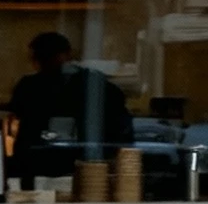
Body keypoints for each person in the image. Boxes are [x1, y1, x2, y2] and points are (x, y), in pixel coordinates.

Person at [8, 29, 133, 176]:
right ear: (68, 54)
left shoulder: (29, 87)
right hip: (86, 167)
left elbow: (16, 123)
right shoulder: (97, 84)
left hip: (39, 165)